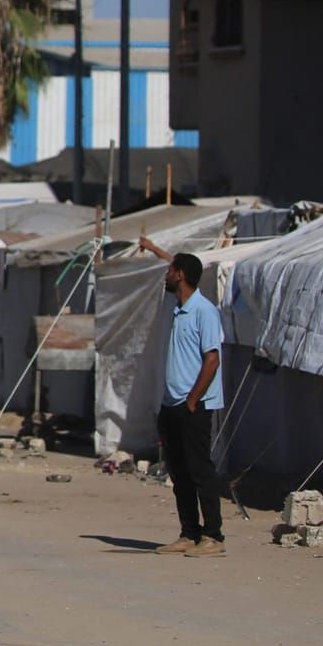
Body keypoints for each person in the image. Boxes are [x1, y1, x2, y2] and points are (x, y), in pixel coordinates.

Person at [140, 236, 225, 557]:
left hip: (195, 405)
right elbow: (174, 259)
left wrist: (192, 400)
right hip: (171, 404)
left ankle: (213, 536)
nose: (165, 275)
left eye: (169, 270)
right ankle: (189, 533)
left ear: (180, 275)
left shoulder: (204, 311)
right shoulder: (178, 310)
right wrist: (152, 247)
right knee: (179, 472)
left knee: (201, 469)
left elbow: (212, 359)